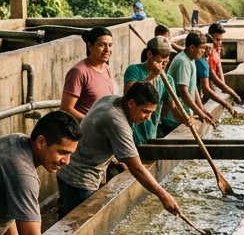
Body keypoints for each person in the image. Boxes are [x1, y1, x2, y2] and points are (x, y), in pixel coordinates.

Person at [56, 82, 183, 218]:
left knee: (66, 216)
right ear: (131, 103)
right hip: (79, 179)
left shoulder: (111, 100)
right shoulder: (116, 119)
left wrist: (116, 159)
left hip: (68, 170)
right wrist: (164, 196)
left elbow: (98, 136)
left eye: (151, 113)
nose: (148, 118)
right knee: (79, 224)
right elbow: (137, 168)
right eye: (145, 111)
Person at [159, 31, 216, 136]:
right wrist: (199, 112)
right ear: (192, 47)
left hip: (183, 114)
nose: (203, 51)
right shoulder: (183, 62)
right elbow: (183, 92)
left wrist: (201, 108)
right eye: (202, 48)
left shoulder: (191, 59)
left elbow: (192, 86)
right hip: (174, 117)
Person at [124, 36, 172, 144]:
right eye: (159, 61)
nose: (162, 65)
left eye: (165, 61)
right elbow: (131, 95)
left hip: (151, 135)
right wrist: (152, 76)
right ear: (149, 55)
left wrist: (186, 119)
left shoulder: (168, 80)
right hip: (132, 135)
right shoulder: (133, 70)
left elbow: (172, 107)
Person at [62, 26, 114, 120]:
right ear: (90, 46)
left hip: (102, 130)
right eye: (102, 45)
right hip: (85, 131)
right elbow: (66, 109)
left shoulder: (106, 69)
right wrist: (92, 122)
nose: (107, 49)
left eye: (110, 45)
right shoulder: (79, 72)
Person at [196, 38, 238, 117]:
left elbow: (216, 79)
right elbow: (206, 89)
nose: (208, 51)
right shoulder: (200, 62)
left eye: (210, 48)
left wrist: (234, 95)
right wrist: (227, 105)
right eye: (205, 48)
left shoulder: (204, 61)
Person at [206, 23, 243, 109]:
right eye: (217, 40)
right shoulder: (207, 53)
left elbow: (219, 66)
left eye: (221, 40)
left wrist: (224, 87)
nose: (219, 43)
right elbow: (210, 77)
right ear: (210, 38)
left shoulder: (217, 49)